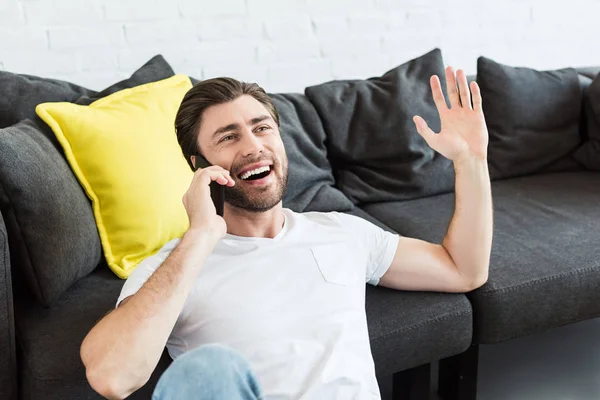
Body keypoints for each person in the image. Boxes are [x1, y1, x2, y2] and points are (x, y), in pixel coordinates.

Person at [80, 66, 493, 400]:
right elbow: (112, 376)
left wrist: (471, 161)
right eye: (228, 137)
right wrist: (201, 235)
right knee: (206, 371)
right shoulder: (174, 266)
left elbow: (462, 270)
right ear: (199, 164)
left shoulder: (342, 232)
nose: (252, 146)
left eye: (262, 128)